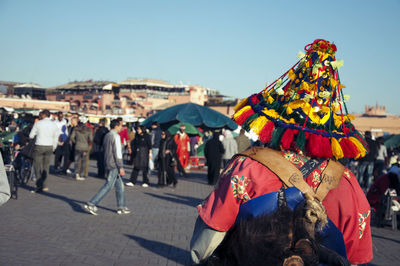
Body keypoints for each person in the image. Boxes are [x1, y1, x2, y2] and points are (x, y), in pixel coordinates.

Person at [190, 39, 372, 265]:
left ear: (276, 123)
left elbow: (207, 240)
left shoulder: (248, 168)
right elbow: (356, 258)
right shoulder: (348, 184)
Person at [83, 119, 130, 215]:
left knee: (120, 186)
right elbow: (117, 153)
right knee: (108, 185)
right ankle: (92, 203)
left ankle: (121, 206)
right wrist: (120, 166)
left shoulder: (107, 135)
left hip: (108, 162)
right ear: (116, 126)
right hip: (114, 164)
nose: (122, 128)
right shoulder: (115, 136)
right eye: (121, 126)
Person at [29, 109, 59, 193]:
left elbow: (31, 135)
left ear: (44, 115)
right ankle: (45, 185)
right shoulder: (54, 125)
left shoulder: (38, 123)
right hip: (49, 146)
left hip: (39, 145)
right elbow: (56, 137)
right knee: (46, 166)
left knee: (37, 166)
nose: (40, 116)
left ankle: (39, 185)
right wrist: (54, 147)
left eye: (41, 115)